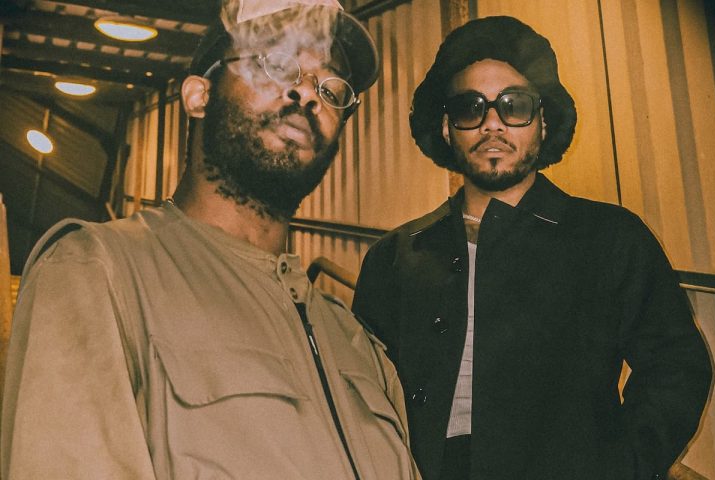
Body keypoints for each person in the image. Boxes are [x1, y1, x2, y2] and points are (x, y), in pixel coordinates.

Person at [1, 1, 420, 478]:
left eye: (331, 86)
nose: (308, 92)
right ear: (199, 96)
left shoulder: (355, 342)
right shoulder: (97, 274)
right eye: (279, 62)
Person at [352, 16, 712, 480]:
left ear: (543, 123)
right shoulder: (394, 256)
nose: (492, 124)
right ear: (446, 128)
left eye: (514, 105)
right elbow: (361, 389)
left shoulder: (609, 239)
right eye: (469, 108)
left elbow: (676, 369)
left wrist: (618, 468)